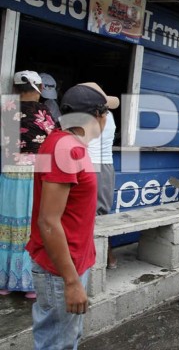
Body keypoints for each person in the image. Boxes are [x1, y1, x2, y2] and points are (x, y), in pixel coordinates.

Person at [25, 82, 119, 349]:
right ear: (96, 116)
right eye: (105, 113)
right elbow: (48, 221)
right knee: (58, 342)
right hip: (60, 269)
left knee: (67, 337)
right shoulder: (65, 149)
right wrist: (71, 281)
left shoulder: (67, 143)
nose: (107, 119)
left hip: (73, 261)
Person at [0, 71, 57, 299]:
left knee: (8, 225)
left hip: (8, 174)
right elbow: (54, 139)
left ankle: (5, 281)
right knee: (31, 225)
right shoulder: (43, 111)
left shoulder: (5, 109)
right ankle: (27, 282)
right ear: (38, 87)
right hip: (33, 175)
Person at [87, 103, 118, 269]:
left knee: (94, 215)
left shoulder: (91, 115)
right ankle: (107, 256)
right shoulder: (108, 115)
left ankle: (104, 256)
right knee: (101, 213)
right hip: (104, 165)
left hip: (91, 164)